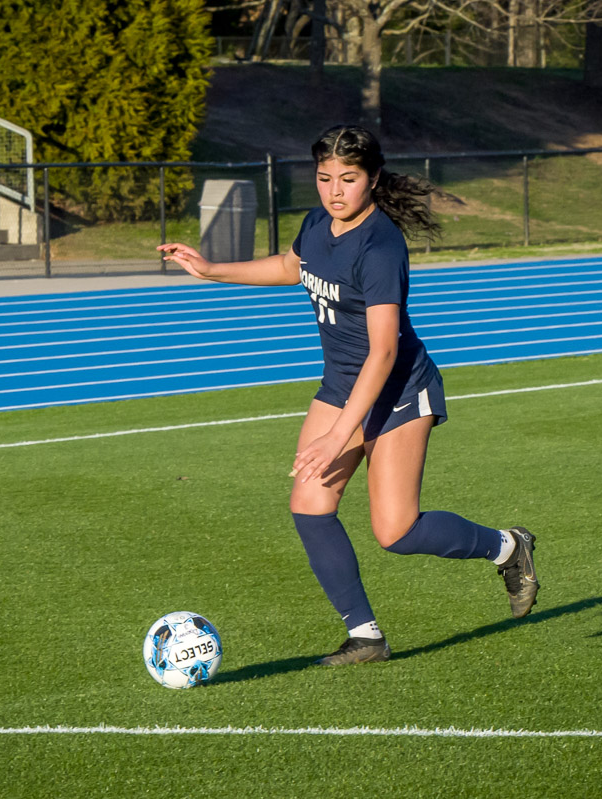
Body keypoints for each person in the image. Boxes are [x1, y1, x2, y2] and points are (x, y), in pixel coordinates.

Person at [158, 125, 539, 666]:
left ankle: (508, 546)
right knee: (309, 502)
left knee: (397, 531)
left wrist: (341, 433)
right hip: (341, 385)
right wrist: (212, 269)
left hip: (400, 390)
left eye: (349, 179)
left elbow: (383, 353)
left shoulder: (381, 246)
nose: (335, 191)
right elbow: (294, 267)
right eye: (324, 178)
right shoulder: (318, 223)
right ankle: (366, 637)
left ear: (373, 179)